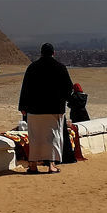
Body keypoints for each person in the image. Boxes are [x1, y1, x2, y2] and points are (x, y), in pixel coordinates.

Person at [18, 43, 74, 173]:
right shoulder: (60, 68)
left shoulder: (32, 67)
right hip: (54, 109)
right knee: (53, 137)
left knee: (35, 137)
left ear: (41, 53)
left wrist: (23, 107)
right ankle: (51, 165)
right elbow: (68, 88)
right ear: (53, 53)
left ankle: (33, 165)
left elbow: (25, 88)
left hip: (34, 110)